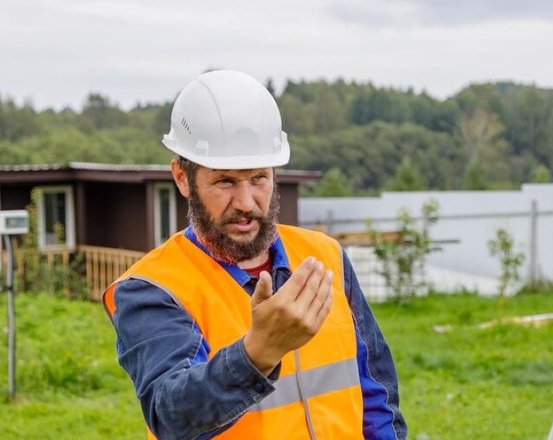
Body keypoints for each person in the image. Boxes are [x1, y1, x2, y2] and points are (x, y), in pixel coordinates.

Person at [103, 70, 407, 440]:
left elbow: (376, 390)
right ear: (182, 178)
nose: (246, 203)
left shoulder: (324, 256)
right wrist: (257, 354)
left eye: (259, 178)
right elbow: (172, 416)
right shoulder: (151, 288)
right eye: (225, 181)